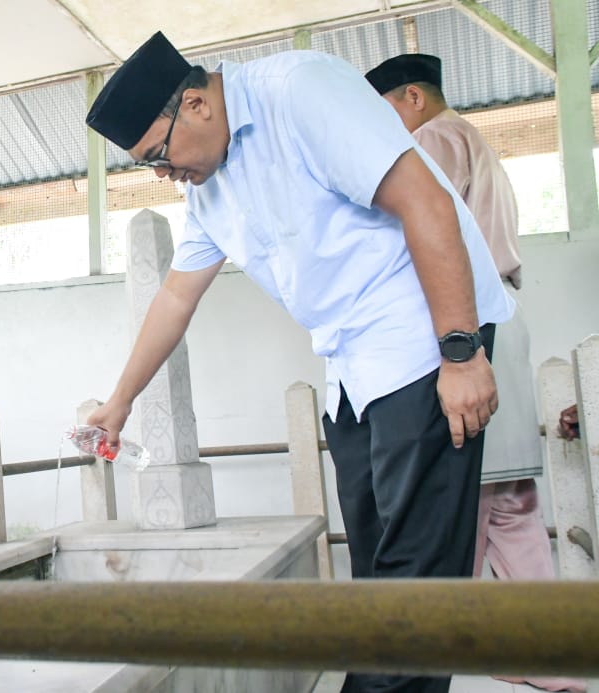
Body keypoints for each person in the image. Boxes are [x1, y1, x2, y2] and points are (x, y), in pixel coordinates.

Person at [85, 32, 513, 693]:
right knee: (375, 571)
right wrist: (119, 403)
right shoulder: (211, 192)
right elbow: (175, 297)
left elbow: (424, 202)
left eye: (160, 158)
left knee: (417, 578)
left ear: (196, 104)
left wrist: (459, 351)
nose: (166, 175)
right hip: (350, 366)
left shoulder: (300, 93)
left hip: (420, 337)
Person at [366, 54, 584, 693]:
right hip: (504, 321)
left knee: (463, 501)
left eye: (383, 111)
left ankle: (443, 647)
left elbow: (422, 245)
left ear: (411, 98)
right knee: (512, 500)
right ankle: (551, 653)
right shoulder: (475, 140)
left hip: (466, 334)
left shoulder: (431, 140)